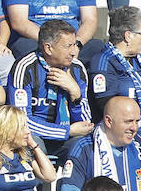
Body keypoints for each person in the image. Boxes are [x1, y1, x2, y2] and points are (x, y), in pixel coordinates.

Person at [7, 18, 93, 156]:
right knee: (30, 144)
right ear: (48, 48)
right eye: (68, 46)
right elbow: (22, 121)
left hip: (66, 137)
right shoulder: (25, 68)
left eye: (74, 45)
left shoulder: (77, 68)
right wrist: (65, 131)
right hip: (35, 135)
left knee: (85, 145)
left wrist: (76, 94)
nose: (73, 52)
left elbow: (85, 123)